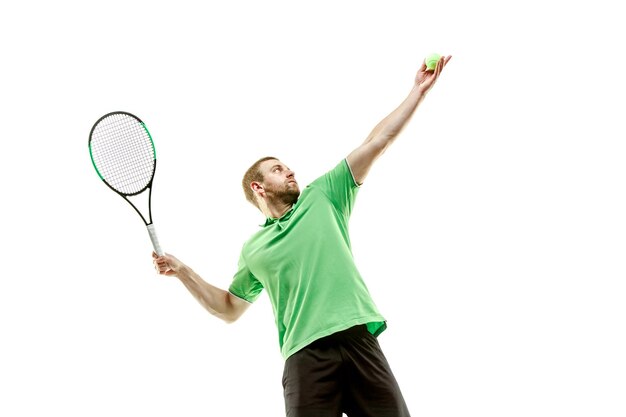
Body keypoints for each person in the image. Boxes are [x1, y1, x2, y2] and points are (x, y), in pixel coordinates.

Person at [153, 55, 451, 417]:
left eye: (288, 165)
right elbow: (229, 309)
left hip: (357, 340)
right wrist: (183, 271)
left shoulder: (323, 196)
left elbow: (378, 141)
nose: (290, 171)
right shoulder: (254, 249)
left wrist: (416, 92)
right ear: (258, 187)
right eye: (278, 169)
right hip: (304, 357)